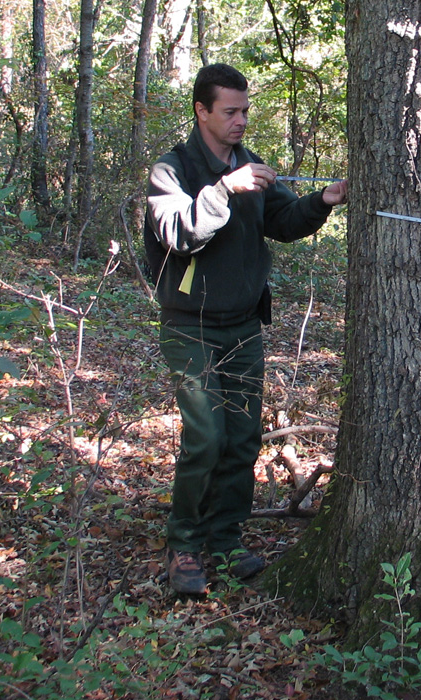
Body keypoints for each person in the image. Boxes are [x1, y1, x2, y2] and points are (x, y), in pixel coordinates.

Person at [145, 63, 347, 596]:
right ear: (202, 111)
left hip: (243, 326)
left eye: (245, 110)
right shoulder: (173, 171)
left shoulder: (251, 164)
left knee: (242, 438)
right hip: (191, 328)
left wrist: (321, 202)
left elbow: (280, 221)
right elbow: (176, 234)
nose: (240, 121)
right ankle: (184, 545)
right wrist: (222, 190)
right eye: (230, 111)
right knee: (207, 436)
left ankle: (226, 539)